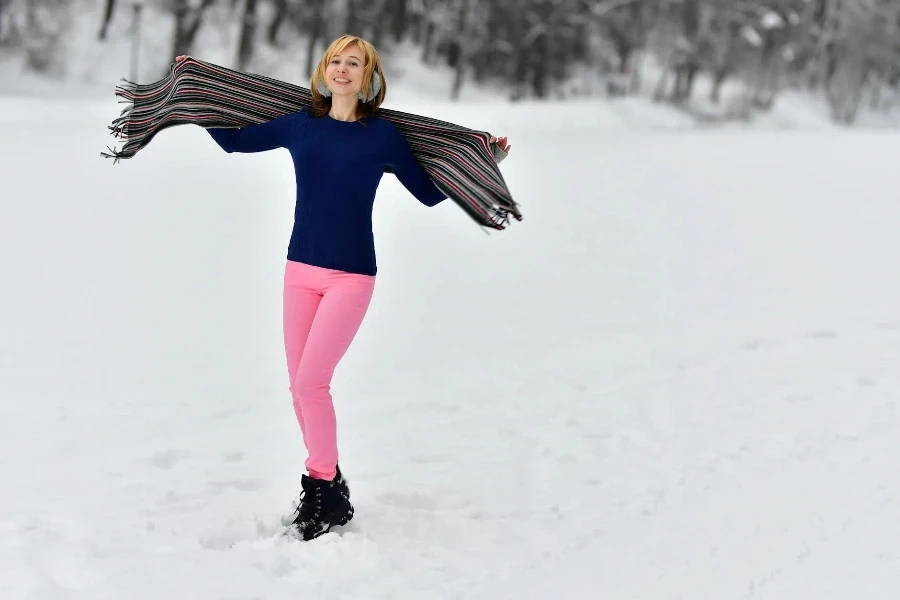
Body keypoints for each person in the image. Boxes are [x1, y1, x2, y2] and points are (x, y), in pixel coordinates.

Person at [176, 34, 511, 541]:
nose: (342, 69)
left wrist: (485, 163)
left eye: (353, 63)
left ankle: (324, 489)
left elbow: (426, 195)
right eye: (335, 60)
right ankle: (327, 486)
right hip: (299, 272)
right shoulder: (301, 125)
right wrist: (194, 90)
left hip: (352, 275)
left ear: (368, 76)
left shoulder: (382, 137)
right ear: (323, 69)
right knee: (299, 388)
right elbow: (233, 140)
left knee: (312, 383)